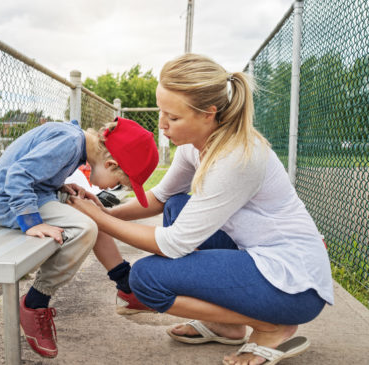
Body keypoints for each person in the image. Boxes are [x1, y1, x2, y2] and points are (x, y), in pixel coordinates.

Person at [68, 54, 333, 365]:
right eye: (161, 112)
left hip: (294, 286)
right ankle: (227, 325)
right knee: (179, 204)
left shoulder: (235, 158)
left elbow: (173, 244)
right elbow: (161, 198)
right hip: (262, 261)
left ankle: (271, 326)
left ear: (209, 113)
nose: (162, 125)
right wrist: (106, 212)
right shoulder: (194, 145)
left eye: (174, 118)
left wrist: (99, 220)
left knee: (146, 278)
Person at [0, 117, 158, 358]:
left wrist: (60, 186)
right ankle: (35, 302)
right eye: (119, 184)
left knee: (92, 212)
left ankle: (126, 287)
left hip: (35, 195)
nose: (112, 189)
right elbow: (17, 175)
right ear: (110, 164)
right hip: (12, 205)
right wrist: (32, 223)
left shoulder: (74, 140)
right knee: (84, 227)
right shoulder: (69, 142)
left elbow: (37, 172)